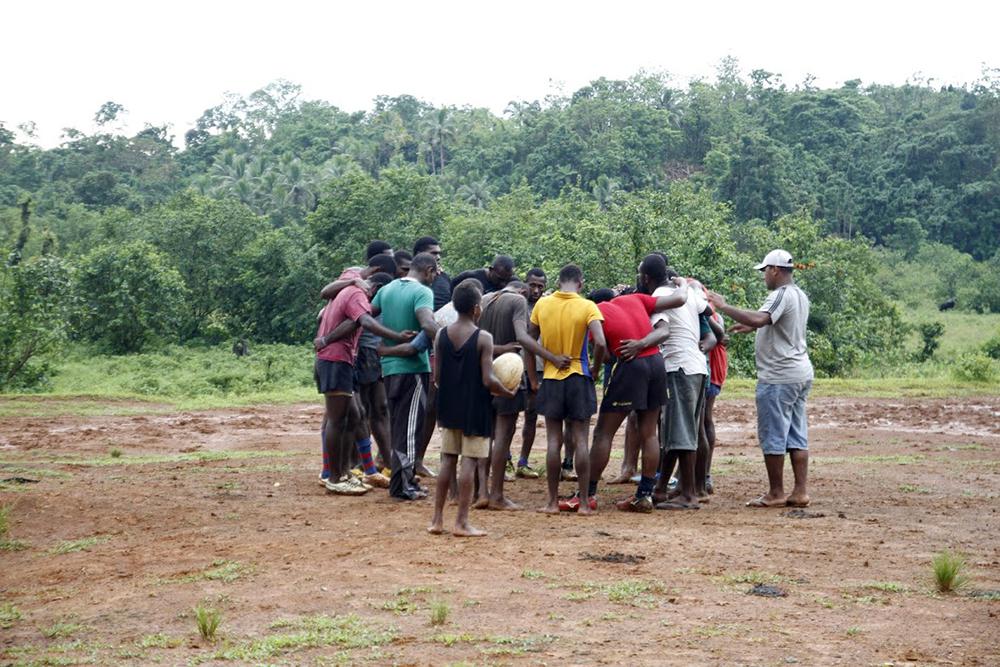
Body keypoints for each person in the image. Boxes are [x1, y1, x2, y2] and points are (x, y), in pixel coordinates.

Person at [707, 249, 814, 508]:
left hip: (778, 376)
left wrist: (723, 306)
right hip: (799, 373)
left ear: (775, 270)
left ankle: (775, 492)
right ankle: (800, 492)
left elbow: (761, 317)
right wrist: (752, 326)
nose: (764, 276)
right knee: (796, 434)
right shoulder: (799, 295)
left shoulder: (780, 295)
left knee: (773, 435)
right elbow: (771, 323)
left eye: (765, 270)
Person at [585, 282, 689, 512]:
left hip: (632, 367)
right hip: (657, 363)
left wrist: (596, 367)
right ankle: (644, 495)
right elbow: (680, 299)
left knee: (603, 431)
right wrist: (682, 283)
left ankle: (588, 493)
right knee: (649, 432)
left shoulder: (593, 313)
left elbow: (606, 350)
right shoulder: (637, 299)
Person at [313, 262, 414, 495]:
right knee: (338, 419)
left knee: (355, 414)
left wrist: (326, 339)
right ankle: (334, 477)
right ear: (377, 289)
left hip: (339, 359)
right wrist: (397, 336)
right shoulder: (357, 293)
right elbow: (366, 321)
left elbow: (354, 322)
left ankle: (345, 473)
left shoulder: (350, 292)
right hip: (335, 361)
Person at [428, 281, 516, 537]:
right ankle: (462, 522)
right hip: (475, 407)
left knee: (447, 460)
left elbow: (438, 376)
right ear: (477, 309)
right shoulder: (483, 338)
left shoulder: (441, 335)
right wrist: (507, 391)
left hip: (448, 405)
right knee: (469, 461)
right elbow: (488, 380)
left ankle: (437, 520)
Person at [528, 264, 606, 515]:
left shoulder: (542, 305)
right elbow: (601, 342)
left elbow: (528, 341)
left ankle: (551, 502)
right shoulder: (587, 306)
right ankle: (583, 503)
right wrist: (595, 369)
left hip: (551, 377)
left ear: (559, 282)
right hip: (578, 375)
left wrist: (536, 372)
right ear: (580, 284)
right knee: (581, 439)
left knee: (553, 440)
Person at [640, 257, 714, 511]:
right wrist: (684, 283)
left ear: (646, 278)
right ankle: (665, 489)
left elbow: (663, 331)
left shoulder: (660, 296)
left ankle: (689, 495)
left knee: (680, 433)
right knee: (680, 430)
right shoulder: (686, 293)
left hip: (678, 367)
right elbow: (708, 312)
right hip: (697, 368)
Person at [479, 281, 560, 510]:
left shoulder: (486, 300)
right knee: (503, 436)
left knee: (486, 436)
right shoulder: (517, 301)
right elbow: (523, 338)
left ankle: (481, 491)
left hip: (485, 373)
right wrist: (551, 357)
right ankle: (496, 495)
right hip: (509, 374)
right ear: (523, 291)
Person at [371, 252, 441, 500]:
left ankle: (404, 481)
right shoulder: (423, 292)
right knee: (410, 428)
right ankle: (403, 486)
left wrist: (384, 341)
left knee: (398, 424)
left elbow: (367, 313)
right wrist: (448, 338)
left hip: (388, 368)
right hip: (412, 369)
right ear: (429, 271)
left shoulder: (387, 289)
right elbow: (426, 323)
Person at [412, 236, 452, 479]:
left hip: (437, 348)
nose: (438, 257)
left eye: (440, 253)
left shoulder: (442, 278)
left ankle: (417, 459)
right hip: (423, 346)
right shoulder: (413, 283)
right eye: (433, 253)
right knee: (419, 407)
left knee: (432, 407)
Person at [516, 268, 547, 479]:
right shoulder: (517, 304)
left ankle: (523, 461)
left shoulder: (546, 306)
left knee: (531, 416)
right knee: (507, 416)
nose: (535, 290)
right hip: (515, 366)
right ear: (525, 283)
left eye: (540, 286)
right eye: (532, 285)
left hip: (538, 368)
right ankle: (506, 459)